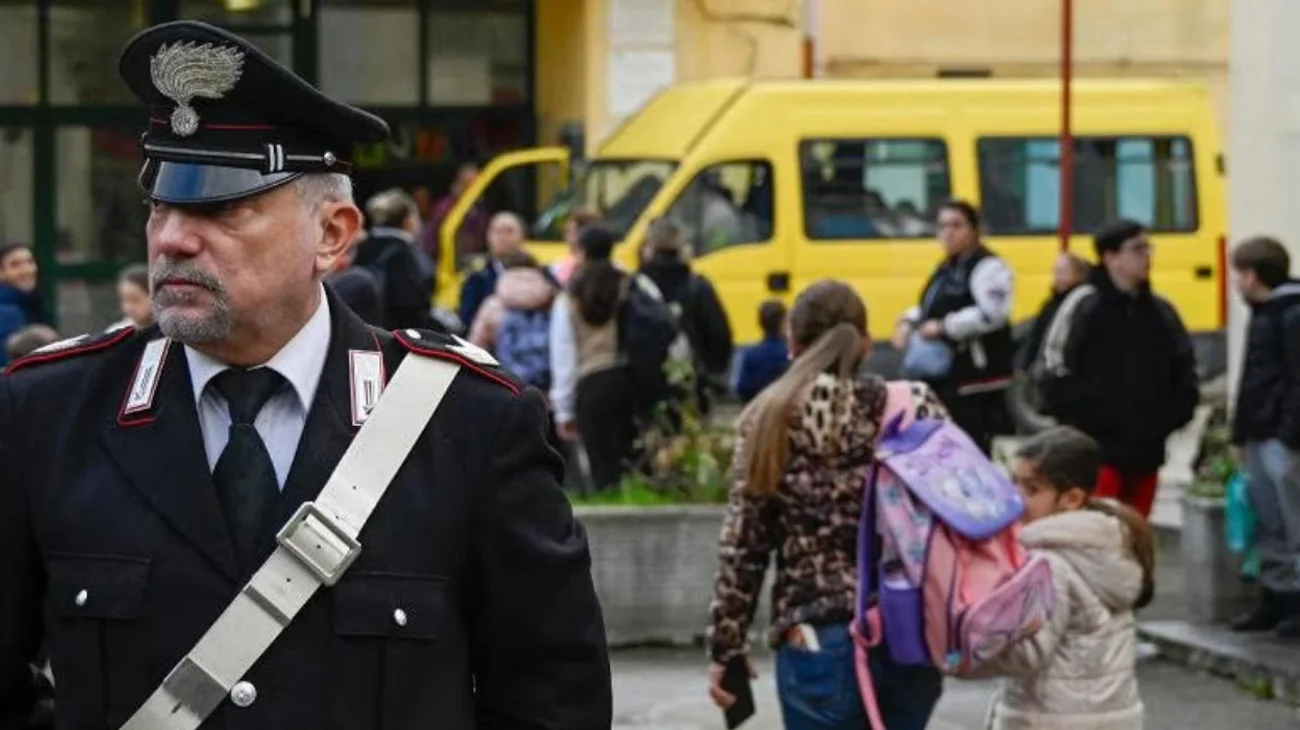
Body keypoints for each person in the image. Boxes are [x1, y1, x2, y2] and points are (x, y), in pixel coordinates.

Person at [0, 20, 610, 730]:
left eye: (219, 207)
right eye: (161, 204)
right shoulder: (48, 412)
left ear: (333, 235)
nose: (171, 238)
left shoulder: (468, 422)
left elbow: (553, 701)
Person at [707, 280, 951, 730]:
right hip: (910, 627)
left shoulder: (771, 418)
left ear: (792, 343)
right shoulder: (913, 405)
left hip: (816, 631)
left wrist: (727, 646)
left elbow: (744, 545)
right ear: (864, 343)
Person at [985, 425, 1152, 730]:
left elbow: (1027, 653)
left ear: (1072, 498)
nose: (1017, 498)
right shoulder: (1108, 547)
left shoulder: (1051, 563)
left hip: (1047, 718)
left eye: (1032, 489)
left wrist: (963, 653)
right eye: (1014, 483)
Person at [1039, 219, 1200, 518]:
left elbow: (1185, 369)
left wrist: (1171, 416)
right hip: (1096, 449)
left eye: (1148, 248)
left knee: (1136, 535)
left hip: (1147, 449)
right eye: (1137, 249)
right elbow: (1053, 366)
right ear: (1110, 257)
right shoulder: (1084, 305)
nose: (1146, 257)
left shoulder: (1160, 311)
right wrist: (1081, 416)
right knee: (1097, 532)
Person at [892, 200, 1015, 455]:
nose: (948, 233)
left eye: (956, 225)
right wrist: (907, 322)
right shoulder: (947, 267)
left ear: (973, 230)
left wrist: (945, 327)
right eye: (943, 226)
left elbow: (992, 314)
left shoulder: (988, 267)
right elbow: (929, 306)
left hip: (976, 379)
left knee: (972, 448)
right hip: (947, 379)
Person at [1225, 236, 1300, 636]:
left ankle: (1293, 602)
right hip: (1261, 432)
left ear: (1252, 275)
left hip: (1282, 438)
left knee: (1292, 521)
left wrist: (1289, 435)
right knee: (1268, 521)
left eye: (1238, 274)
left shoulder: (1289, 314)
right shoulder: (1266, 313)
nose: (1235, 283)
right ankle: (1275, 596)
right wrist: (1241, 433)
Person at [549, 226, 642, 492]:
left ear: (582, 252)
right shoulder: (631, 285)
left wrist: (564, 409)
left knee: (602, 469)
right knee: (632, 461)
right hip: (632, 378)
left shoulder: (570, 297)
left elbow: (564, 356)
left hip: (591, 383)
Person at [637, 217, 733, 415]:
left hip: (645, 388)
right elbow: (719, 334)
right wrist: (711, 371)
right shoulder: (697, 286)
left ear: (649, 248)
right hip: (691, 382)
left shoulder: (637, 288)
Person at [468, 249, 558, 391]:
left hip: (508, 387)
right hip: (548, 388)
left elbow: (476, 349)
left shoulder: (493, 304)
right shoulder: (552, 300)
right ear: (536, 268)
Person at [355, 188, 436, 330]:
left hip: (362, 330)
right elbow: (414, 305)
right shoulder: (406, 253)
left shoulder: (360, 247)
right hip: (399, 336)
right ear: (407, 221)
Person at [458, 211, 526, 330]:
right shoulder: (477, 277)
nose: (503, 237)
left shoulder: (537, 274)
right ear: (488, 237)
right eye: (497, 231)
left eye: (509, 231)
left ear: (522, 236)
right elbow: (468, 319)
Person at [732, 299, 788, 402]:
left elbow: (742, 388)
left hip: (759, 407)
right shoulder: (789, 353)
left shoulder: (751, 354)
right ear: (782, 323)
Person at [0, 243, 43, 365]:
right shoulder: (7, 313)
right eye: (15, 265)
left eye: (30, 262)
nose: (26, 270)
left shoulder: (28, 303)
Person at [114, 263, 156, 330]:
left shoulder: (169, 335)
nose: (128, 307)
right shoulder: (116, 333)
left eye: (135, 299)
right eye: (124, 299)